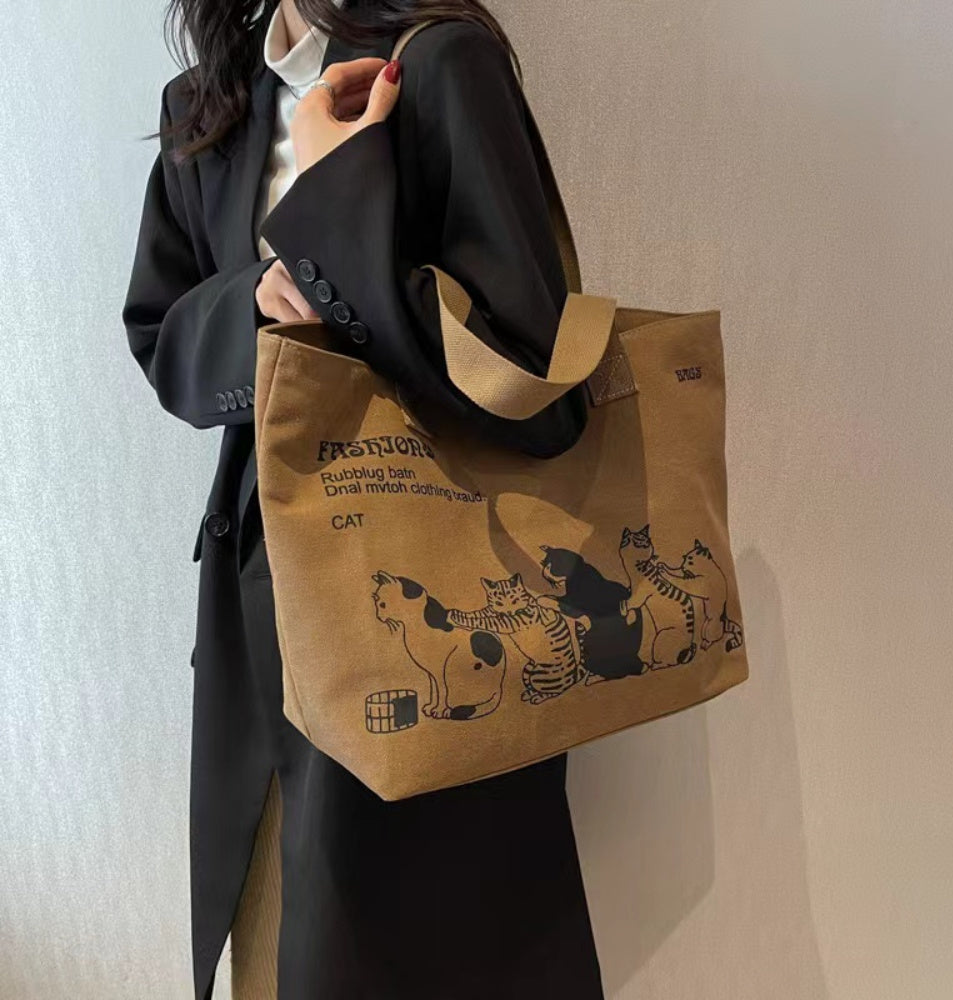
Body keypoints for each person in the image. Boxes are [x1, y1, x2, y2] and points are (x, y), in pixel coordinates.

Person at [121, 1, 604, 997]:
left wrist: (331, 213)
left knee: (412, 956)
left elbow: (536, 381)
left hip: (431, 628)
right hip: (262, 638)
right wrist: (258, 299)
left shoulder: (440, 63)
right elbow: (164, 339)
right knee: (273, 947)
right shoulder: (205, 106)